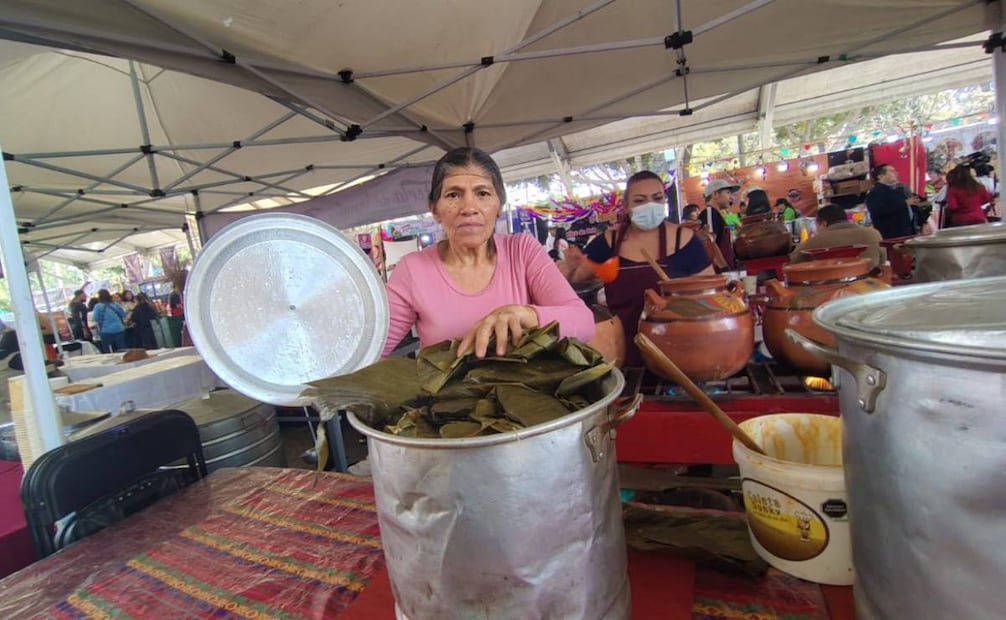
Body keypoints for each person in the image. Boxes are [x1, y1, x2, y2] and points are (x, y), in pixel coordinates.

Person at [383, 147, 593, 359]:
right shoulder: (413, 269)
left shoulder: (521, 251)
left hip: (519, 390)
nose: (469, 207)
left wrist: (524, 314)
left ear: (499, 205)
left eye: (482, 193)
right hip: (448, 393)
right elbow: (370, 347)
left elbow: (583, 322)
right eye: (453, 194)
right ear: (435, 209)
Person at [562, 171, 714, 366]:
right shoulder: (609, 243)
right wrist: (570, 266)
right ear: (626, 206)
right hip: (623, 350)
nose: (650, 205)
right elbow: (577, 281)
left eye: (657, 198)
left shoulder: (683, 240)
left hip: (678, 350)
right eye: (640, 200)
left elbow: (710, 297)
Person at [789, 204, 884, 270]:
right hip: (871, 288)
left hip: (829, 292)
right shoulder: (873, 234)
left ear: (823, 224)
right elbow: (883, 262)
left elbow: (792, 264)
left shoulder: (812, 242)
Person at [865, 164, 918, 239]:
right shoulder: (875, 193)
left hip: (906, 232)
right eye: (892, 171)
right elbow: (879, 211)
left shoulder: (895, 189)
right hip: (892, 235)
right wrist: (905, 203)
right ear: (880, 176)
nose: (896, 173)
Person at [699, 179, 740, 269]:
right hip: (719, 272)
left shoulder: (722, 215)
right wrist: (724, 268)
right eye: (728, 193)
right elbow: (710, 243)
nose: (731, 197)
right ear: (715, 194)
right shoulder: (709, 212)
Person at [92, 288, 128, 353]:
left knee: (108, 350)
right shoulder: (115, 304)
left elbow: (96, 318)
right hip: (119, 329)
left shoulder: (98, 306)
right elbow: (123, 314)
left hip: (105, 331)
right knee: (122, 349)